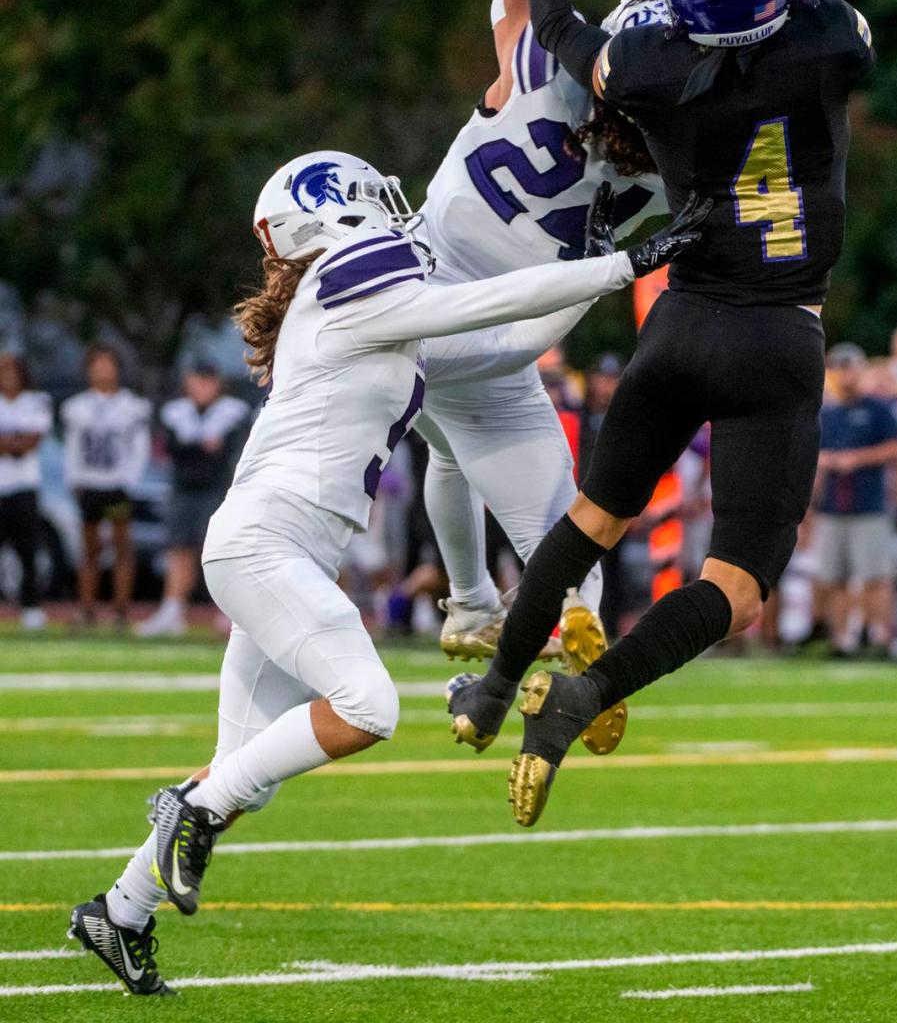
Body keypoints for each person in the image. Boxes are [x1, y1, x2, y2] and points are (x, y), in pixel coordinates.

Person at [67, 149, 704, 993]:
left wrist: (602, 275)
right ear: (336, 206)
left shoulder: (353, 296)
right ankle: (188, 813)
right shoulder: (352, 267)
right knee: (366, 707)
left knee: (239, 770)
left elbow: (504, 342)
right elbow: (489, 298)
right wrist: (623, 261)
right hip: (266, 546)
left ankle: (118, 911)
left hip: (281, 552)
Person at [447, 0, 876, 826]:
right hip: (779, 340)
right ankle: (593, 693)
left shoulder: (645, 69)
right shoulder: (827, 43)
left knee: (593, 522)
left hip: (681, 325)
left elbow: (557, 30)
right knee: (738, 580)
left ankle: (494, 682)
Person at [414, 0, 689, 667]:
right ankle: (552, 619)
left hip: (411, 295)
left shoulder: (534, 58)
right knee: (564, 546)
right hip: (503, 342)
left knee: (442, 445)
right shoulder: (674, 163)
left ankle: (468, 603)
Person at [137, 365, 250, 637]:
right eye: (197, 382)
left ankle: (229, 610)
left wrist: (198, 449)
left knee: (218, 551)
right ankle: (173, 608)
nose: (202, 388)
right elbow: (175, 450)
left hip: (217, 490)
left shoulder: (232, 412)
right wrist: (204, 447)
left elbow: (228, 453)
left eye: (207, 381)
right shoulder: (176, 411)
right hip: (183, 490)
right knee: (179, 550)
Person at [813, 343, 897, 656]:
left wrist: (857, 458)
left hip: (868, 505)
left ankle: (880, 638)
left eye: (850, 367)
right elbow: (816, 457)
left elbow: (896, 448)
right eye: (839, 367)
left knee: (875, 576)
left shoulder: (878, 410)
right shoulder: (828, 413)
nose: (845, 374)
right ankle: (841, 640)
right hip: (834, 506)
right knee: (834, 577)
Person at [61, 345, 151, 629]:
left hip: (116, 484)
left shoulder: (132, 406)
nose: (102, 370)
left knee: (122, 547)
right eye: (97, 364)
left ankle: (121, 611)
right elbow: (72, 447)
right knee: (89, 548)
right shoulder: (76, 407)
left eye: (107, 364)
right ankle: (86, 609)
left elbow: (140, 446)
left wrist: (130, 480)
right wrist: (74, 480)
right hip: (89, 483)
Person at [0, 352, 52, 630]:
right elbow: (20, 441)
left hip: (24, 487)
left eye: (12, 369)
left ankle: (31, 606)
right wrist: (15, 441)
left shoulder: (35, 401)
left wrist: (10, 443)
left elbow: (32, 442)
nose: (7, 375)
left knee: (27, 549)